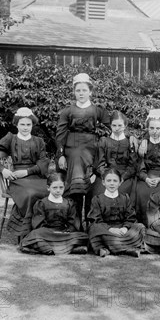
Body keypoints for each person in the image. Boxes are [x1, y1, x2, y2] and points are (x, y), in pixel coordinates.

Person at [0, 107, 49, 238]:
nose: (25, 127)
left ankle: (45, 229)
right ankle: (27, 232)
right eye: (22, 124)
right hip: (17, 179)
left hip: (35, 176)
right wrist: (3, 170)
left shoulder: (38, 141)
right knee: (30, 194)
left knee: (48, 192)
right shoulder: (10, 138)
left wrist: (27, 171)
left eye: (28, 124)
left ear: (33, 125)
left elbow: (43, 163)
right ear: (17, 125)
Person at [55, 73, 111, 224]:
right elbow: (60, 134)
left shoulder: (97, 110)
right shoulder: (67, 111)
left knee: (93, 183)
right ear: (74, 92)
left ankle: (92, 223)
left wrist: (128, 136)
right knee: (76, 163)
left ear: (90, 92)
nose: (81, 93)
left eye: (84, 90)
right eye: (78, 90)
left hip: (91, 146)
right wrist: (60, 154)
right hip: (71, 147)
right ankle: (75, 223)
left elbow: (114, 125)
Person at [19, 173, 89, 255]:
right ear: (48, 188)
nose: (58, 190)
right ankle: (68, 248)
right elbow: (38, 224)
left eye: (61, 187)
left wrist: (66, 231)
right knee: (36, 235)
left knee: (83, 236)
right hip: (46, 233)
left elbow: (73, 223)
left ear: (64, 187)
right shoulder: (42, 203)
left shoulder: (69, 203)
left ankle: (47, 248)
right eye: (55, 187)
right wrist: (50, 232)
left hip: (64, 233)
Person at [87, 168, 145, 258]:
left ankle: (109, 248)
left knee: (140, 227)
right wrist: (110, 229)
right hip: (105, 230)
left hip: (122, 231)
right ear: (103, 182)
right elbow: (96, 220)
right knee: (93, 229)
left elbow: (131, 218)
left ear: (120, 182)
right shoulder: (97, 199)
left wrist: (125, 228)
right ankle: (127, 248)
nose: (112, 183)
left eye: (115, 181)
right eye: (109, 180)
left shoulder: (125, 198)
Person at [91, 111, 138, 204]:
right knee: (98, 192)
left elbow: (132, 165)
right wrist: (107, 177)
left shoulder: (130, 142)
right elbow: (99, 163)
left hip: (125, 177)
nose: (117, 128)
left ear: (125, 125)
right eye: (114, 125)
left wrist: (122, 178)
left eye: (120, 125)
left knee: (125, 193)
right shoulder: (104, 141)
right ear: (110, 126)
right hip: (106, 175)